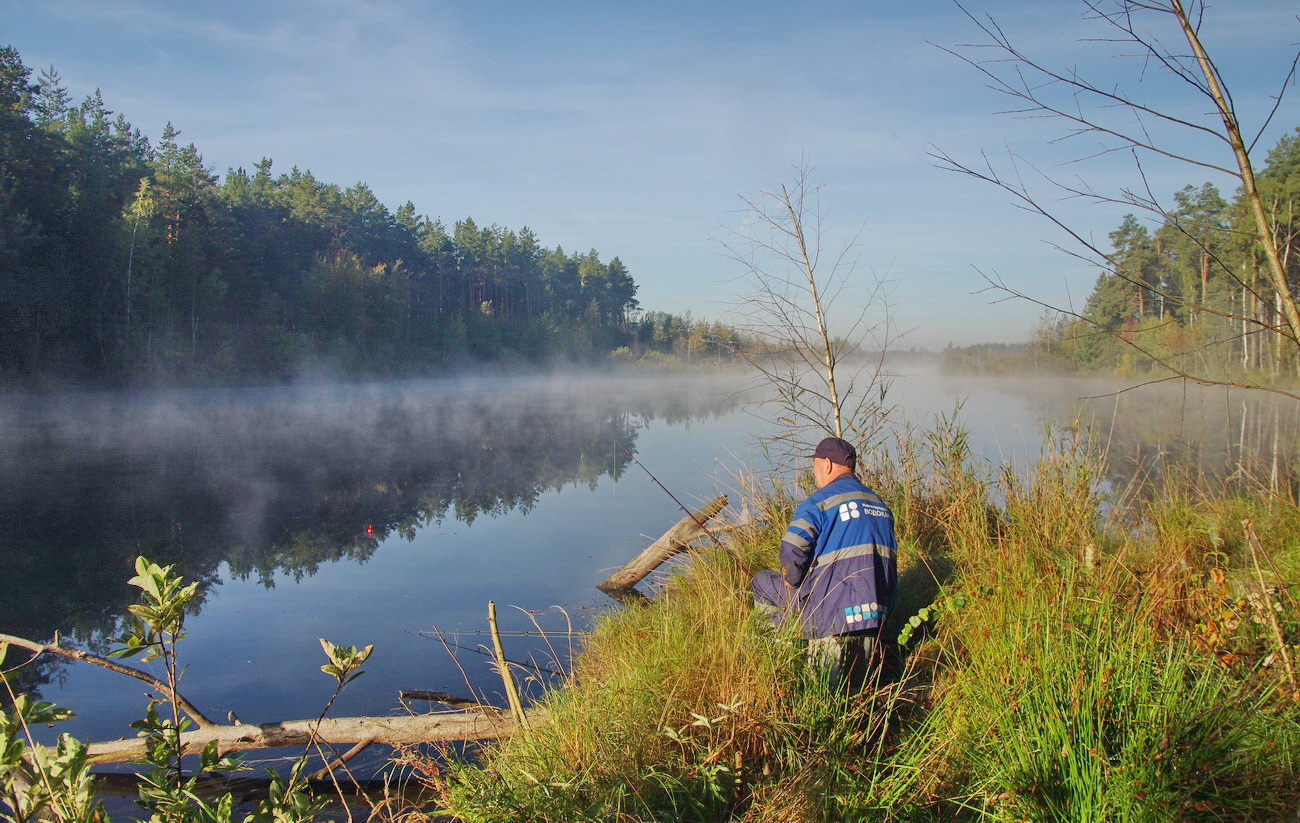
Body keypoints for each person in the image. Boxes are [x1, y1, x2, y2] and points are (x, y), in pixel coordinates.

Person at [751, 436, 898, 687]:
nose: (813, 471)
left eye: (815, 464)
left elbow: (792, 548)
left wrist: (792, 582)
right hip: (877, 614)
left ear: (827, 464)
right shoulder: (880, 505)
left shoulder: (818, 501)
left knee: (761, 582)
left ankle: (774, 657)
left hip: (830, 614)